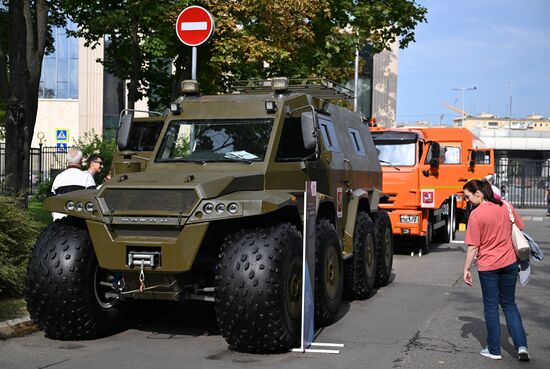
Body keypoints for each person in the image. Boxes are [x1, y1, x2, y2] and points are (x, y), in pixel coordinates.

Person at [462, 179, 529, 361]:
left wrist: (466, 268)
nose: (467, 200)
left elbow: (473, 246)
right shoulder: (506, 206)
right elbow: (520, 228)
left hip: (488, 266)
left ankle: (494, 349)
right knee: (509, 304)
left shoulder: (476, 215)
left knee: (491, 307)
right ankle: (522, 346)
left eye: (468, 196)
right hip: (509, 263)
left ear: (478, 193)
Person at [50, 148, 97, 220]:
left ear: (67, 161)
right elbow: (92, 201)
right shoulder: (87, 177)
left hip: (59, 221)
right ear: (81, 160)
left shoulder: (58, 178)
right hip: (80, 222)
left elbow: (52, 202)